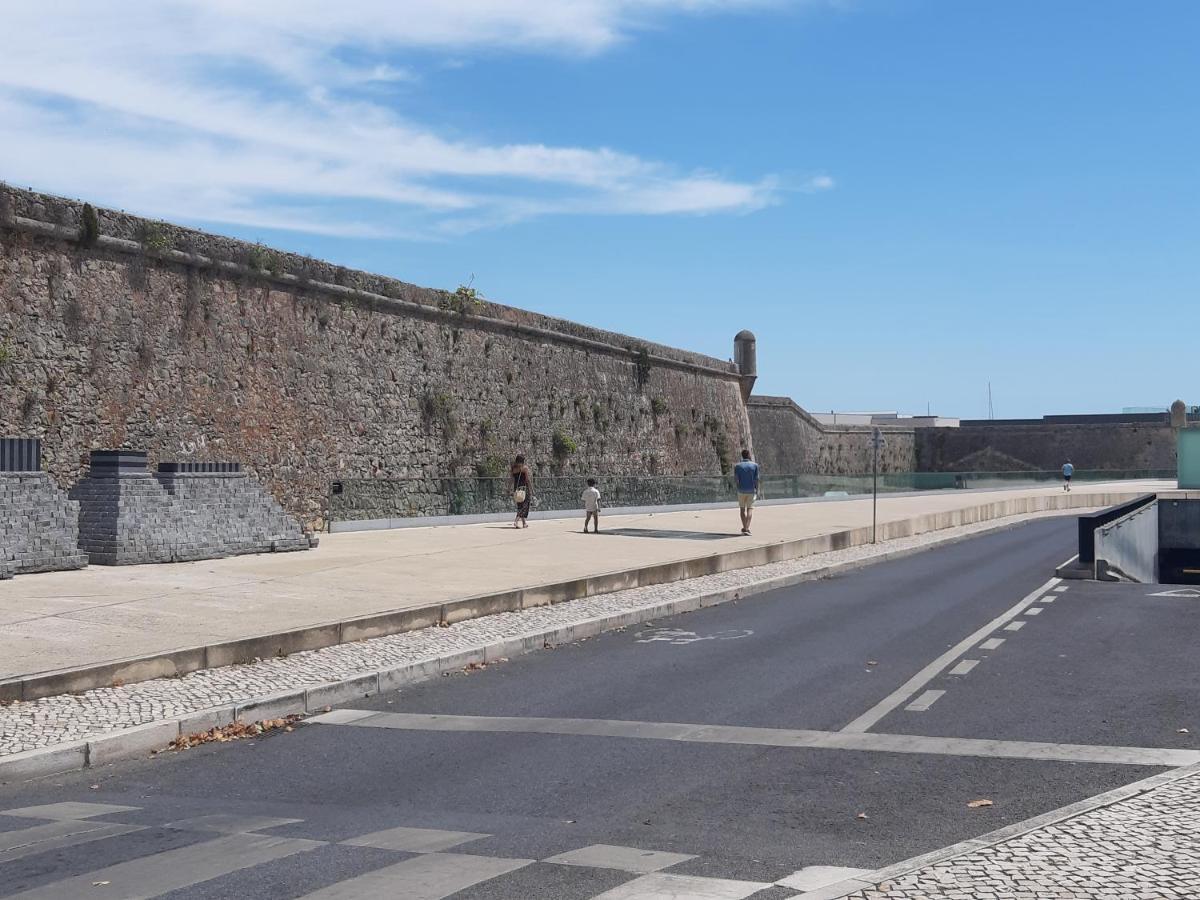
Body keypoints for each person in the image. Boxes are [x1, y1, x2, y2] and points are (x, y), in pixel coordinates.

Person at [733, 449, 760, 535]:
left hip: (741, 490)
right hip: (751, 490)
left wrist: (738, 487)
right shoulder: (755, 466)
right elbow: (757, 479)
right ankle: (746, 528)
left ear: (742, 455)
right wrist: (757, 489)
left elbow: (736, 479)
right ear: (748, 455)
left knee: (741, 510)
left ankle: (745, 528)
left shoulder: (737, 466)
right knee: (750, 509)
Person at [511, 454, 532, 528]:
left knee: (520, 505)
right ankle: (516, 521)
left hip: (516, 488)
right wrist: (531, 488)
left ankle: (524, 523)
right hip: (524, 488)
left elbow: (511, 479)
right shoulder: (524, 468)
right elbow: (527, 480)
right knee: (525, 505)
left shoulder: (513, 468)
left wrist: (508, 488)